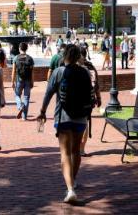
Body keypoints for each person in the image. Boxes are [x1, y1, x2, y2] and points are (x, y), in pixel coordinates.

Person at [38, 44, 94, 204]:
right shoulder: (84, 72)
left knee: (65, 153)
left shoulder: (58, 72)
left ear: (64, 56)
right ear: (78, 57)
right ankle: (73, 181)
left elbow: (48, 94)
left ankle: (70, 189)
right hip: (80, 118)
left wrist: (42, 111)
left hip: (63, 117)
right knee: (76, 151)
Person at [78, 46, 101, 157]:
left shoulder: (76, 67)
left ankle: (77, 147)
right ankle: (82, 149)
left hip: (77, 99)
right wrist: (98, 98)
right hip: (89, 100)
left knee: (77, 122)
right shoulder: (91, 67)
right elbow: (96, 85)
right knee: (85, 122)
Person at [12, 42, 34, 121]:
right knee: (26, 97)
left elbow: (13, 71)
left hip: (19, 79)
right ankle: (24, 117)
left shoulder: (16, 58)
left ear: (19, 48)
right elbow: (32, 71)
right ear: (26, 48)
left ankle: (20, 106)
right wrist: (32, 81)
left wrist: (12, 81)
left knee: (17, 95)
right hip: (28, 79)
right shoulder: (30, 58)